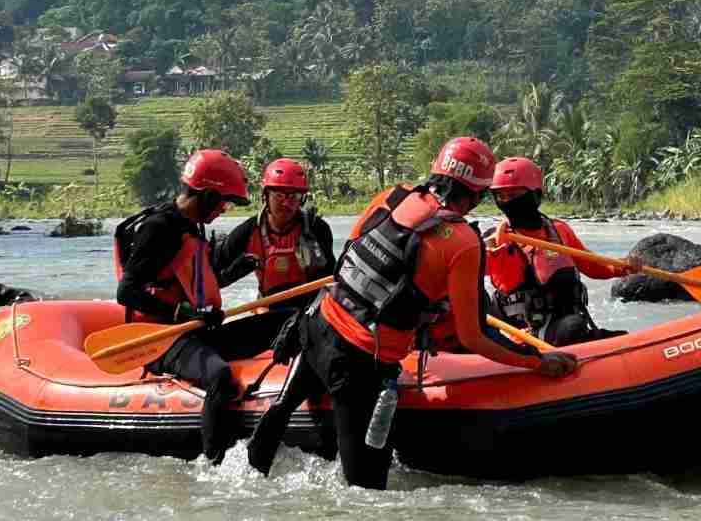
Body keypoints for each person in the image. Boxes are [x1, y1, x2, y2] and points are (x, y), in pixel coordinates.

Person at [247, 137, 579, 489]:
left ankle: (248, 485)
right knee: (367, 490)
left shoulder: (393, 195)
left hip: (317, 323)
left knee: (280, 412)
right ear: (478, 194)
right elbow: (474, 335)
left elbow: (351, 258)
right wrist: (537, 361)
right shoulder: (464, 242)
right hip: (358, 359)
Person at [112, 148, 251, 464]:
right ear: (206, 194)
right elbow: (127, 292)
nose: (224, 209)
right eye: (222, 201)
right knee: (219, 375)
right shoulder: (159, 228)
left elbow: (194, 286)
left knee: (279, 322)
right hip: (159, 339)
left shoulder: (190, 227)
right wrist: (179, 314)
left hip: (192, 333)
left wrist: (234, 272)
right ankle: (213, 463)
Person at [484, 156, 641, 346]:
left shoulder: (559, 230)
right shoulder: (496, 242)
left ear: (535, 195)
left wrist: (623, 266)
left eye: (515, 194)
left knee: (607, 334)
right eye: (501, 196)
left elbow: (593, 265)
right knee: (573, 327)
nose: (508, 201)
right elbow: (467, 270)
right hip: (526, 338)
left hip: (568, 326)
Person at [212, 156, 335, 301]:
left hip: (308, 310)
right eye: (279, 195)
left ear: (302, 199)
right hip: (269, 309)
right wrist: (229, 275)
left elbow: (332, 279)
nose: (286, 203)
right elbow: (212, 272)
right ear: (265, 196)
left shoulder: (317, 228)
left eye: (294, 196)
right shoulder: (248, 232)